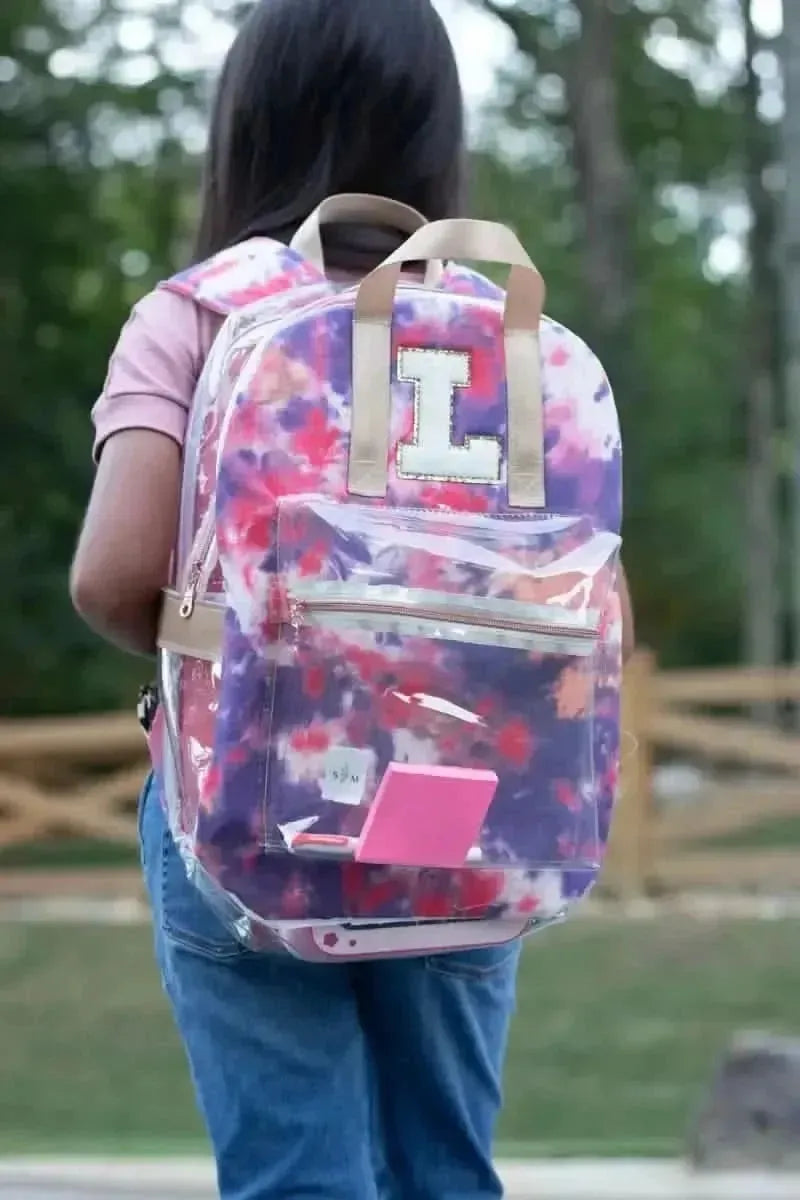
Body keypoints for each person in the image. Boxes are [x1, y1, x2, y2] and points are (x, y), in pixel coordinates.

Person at [70, 2, 635, 1197]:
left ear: (247, 125)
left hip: (249, 809)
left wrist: (229, 656)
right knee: (443, 1160)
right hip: (476, 814)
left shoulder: (199, 313)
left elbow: (113, 576)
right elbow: (596, 618)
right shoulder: (513, 346)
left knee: (296, 1170)